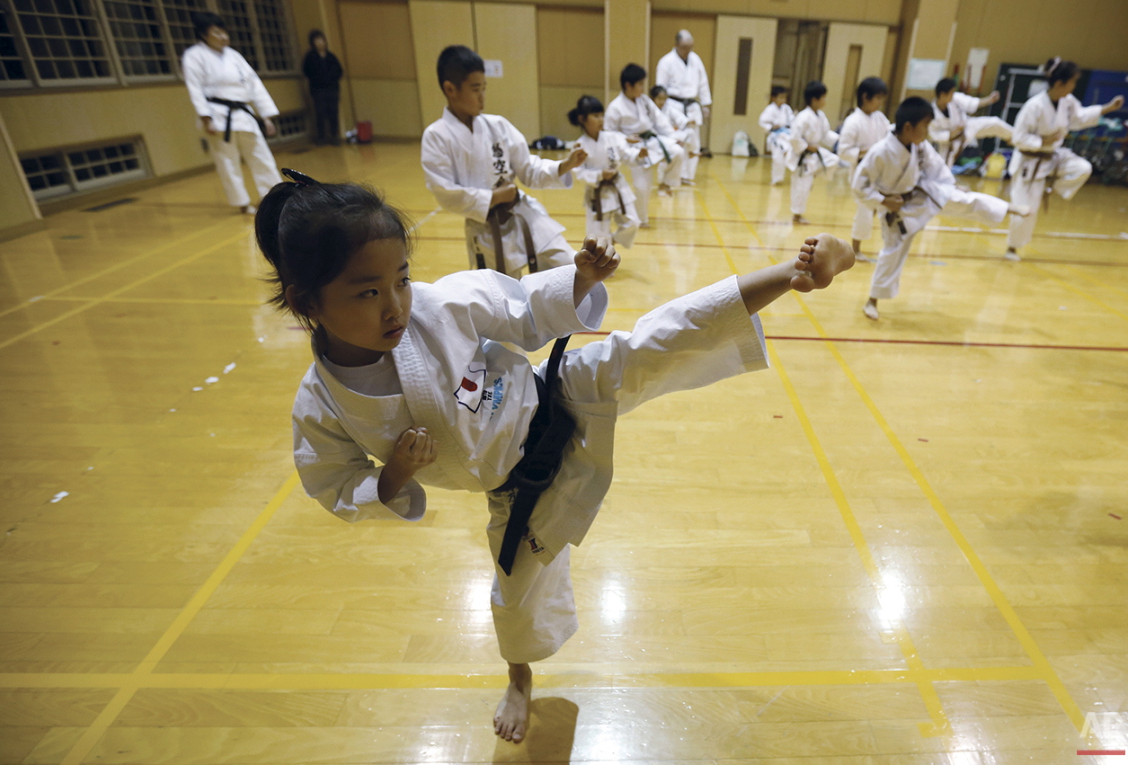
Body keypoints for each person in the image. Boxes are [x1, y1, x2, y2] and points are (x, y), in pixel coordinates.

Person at [256, 169, 855, 745]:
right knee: (512, 598)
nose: (395, 306)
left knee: (651, 344)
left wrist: (581, 280)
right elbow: (333, 483)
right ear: (305, 301)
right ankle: (520, 678)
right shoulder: (321, 405)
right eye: (368, 291)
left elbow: (520, 307)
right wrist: (394, 475)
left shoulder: (440, 306)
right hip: (513, 489)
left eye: (401, 279)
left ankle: (795, 274)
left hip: (553, 394)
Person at [854, 98, 1031, 320]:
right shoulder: (880, 152)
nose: (928, 132)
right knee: (892, 253)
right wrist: (883, 200)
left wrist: (952, 185)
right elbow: (859, 186)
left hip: (920, 193)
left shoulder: (920, 145)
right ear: (908, 127)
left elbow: (936, 167)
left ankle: (1007, 208)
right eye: (925, 126)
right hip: (894, 208)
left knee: (960, 199)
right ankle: (872, 300)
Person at [420, 46, 588, 278]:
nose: (482, 97)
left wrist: (564, 166)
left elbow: (527, 167)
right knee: (508, 297)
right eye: (475, 89)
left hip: (522, 212)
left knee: (570, 266)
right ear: (450, 89)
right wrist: (495, 197)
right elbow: (445, 192)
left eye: (484, 88)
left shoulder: (497, 125)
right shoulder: (436, 136)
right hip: (485, 228)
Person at [1005, 58, 1124, 260]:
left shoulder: (1067, 102)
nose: (1074, 86)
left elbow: (1080, 118)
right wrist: (1042, 140)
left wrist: (1108, 108)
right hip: (1029, 162)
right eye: (1072, 82)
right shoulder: (1034, 106)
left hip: (1053, 156)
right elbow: (1018, 138)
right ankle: (1012, 248)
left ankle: (1053, 188)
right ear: (1060, 83)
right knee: (1025, 210)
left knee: (1082, 168)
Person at [181, 12, 280, 214]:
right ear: (203, 35)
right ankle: (242, 202)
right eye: (216, 32)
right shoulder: (194, 56)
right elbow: (195, 89)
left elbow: (255, 85)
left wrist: (266, 116)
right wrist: (205, 118)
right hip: (218, 116)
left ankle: (274, 198)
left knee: (262, 157)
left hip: (244, 113)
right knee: (227, 161)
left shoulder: (234, 56)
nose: (223, 36)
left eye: (224, 31)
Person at [604, 64, 685, 228]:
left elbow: (660, 121)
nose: (642, 88)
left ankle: (665, 183)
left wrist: (674, 136)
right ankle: (641, 220)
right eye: (640, 84)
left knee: (678, 151)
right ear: (628, 85)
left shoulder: (645, 101)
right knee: (642, 188)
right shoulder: (615, 107)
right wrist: (626, 139)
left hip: (652, 142)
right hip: (633, 149)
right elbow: (608, 134)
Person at [568, 95, 646, 249]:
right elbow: (578, 172)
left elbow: (626, 154)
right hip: (596, 191)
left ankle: (612, 240)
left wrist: (638, 155)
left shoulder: (613, 137)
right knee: (597, 234)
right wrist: (599, 175)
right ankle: (602, 264)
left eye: (602, 115)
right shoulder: (579, 145)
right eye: (595, 116)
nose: (600, 120)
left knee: (633, 222)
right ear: (582, 119)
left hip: (618, 185)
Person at [837, 77, 891, 261]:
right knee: (864, 211)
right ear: (865, 97)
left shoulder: (880, 118)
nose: (880, 102)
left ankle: (884, 246)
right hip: (862, 173)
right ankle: (855, 249)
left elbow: (889, 137)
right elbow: (843, 151)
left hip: (881, 172)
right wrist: (870, 151)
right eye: (877, 98)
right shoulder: (853, 121)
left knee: (879, 208)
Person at [654, 30, 711, 185]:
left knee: (693, 144)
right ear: (676, 44)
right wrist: (660, 109)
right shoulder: (666, 62)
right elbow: (660, 88)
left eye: (690, 47)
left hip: (692, 106)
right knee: (674, 142)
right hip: (672, 106)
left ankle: (687, 176)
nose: (688, 50)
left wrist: (706, 104)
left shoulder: (696, 60)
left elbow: (703, 83)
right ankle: (670, 177)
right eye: (685, 47)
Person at [787, 80, 839, 225]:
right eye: (823, 97)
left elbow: (826, 134)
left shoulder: (820, 116)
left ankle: (815, 174)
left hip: (814, 153)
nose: (825, 100)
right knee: (801, 188)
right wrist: (807, 147)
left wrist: (839, 141)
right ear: (814, 100)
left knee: (833, 160)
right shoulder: (803, 117)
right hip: (802, 156)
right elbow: (794, 138)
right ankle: (796, 216)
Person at [302, 30, 344, 145]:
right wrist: (318, 80)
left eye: (321, 40)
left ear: (325, 42)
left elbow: (340, 71)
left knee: (333, 113)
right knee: (320, 113)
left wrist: (331, 80)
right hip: (318, 90)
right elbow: (306, 71)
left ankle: (334, 136)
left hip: (332, 89)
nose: (320, 43)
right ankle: (321, 137)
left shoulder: (331, 56)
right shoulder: (310, 57)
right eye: (317, 40)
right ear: (313, 43)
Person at [650, 85, 698, 185]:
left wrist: (687, 121)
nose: (662, 102)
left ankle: (691, 151)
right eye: (659, 99)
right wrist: (675, 139)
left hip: (670, 136)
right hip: (658, 140)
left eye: (664, 99)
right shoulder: (650, 111)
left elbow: (679, 117)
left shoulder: (667, 109)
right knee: (672, 154)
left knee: (690, 133)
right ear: (653, 98)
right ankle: (663, 183)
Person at [758, 86, 794, 185]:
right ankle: (777, 179)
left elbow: (792, 121)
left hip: (786, 135)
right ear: (773, 98)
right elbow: (762, 122)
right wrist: (772, 126)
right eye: (780, 98)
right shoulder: (770, 109)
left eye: (784, 98)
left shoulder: (786, 109)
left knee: (788, 154)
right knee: (777, 158)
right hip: (775, 137)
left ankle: (791, 174)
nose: (783, 100)